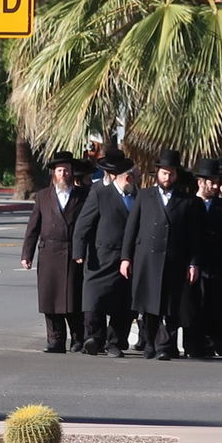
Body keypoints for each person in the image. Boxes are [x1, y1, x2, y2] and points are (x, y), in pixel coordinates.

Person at [120, 149, 205, 360]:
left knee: (171, 305)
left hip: (175, 259)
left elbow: (195, 237)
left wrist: (194, 263)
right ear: (157, 173)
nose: (168, 177)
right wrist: (125, 257)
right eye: (164, 173)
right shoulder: (144, 196)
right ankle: (150, 343)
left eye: (172, 173)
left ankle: (166, 346)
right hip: (147, 260)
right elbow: (132, 228)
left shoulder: (187, 201)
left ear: (177, 175)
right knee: (148, 305)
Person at [19, 150, 88, 353]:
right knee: (50, 299)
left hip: (73, 254)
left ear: (72, 173)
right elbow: (33, 227)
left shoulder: (82, 197)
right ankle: (55, 340)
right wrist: (26, 255)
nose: (63, 174)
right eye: (60, 170)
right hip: (49, 252)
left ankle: (78, 338)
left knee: (73, 299)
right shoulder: (43, 197)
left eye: (67, 170)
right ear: (54, 173)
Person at [72, 146, 137, 356]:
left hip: (127, 258)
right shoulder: (99, 193)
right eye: (130, 176)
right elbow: (83, 224)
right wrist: (79, 251)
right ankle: (94, 338)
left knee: (123, 304)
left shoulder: (137, 196)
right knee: (94, 300)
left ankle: (115, 342)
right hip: (101, 256)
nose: (132, 180)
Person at [184, 157, 222, 357]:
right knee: (193, 307)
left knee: (218, 307)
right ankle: (194, 345)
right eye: (211, 181)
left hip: (218, 266)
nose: (215, 185)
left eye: (217, 181)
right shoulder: (188, 203)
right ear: (200, 182)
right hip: (194, 265)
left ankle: (219, 343)